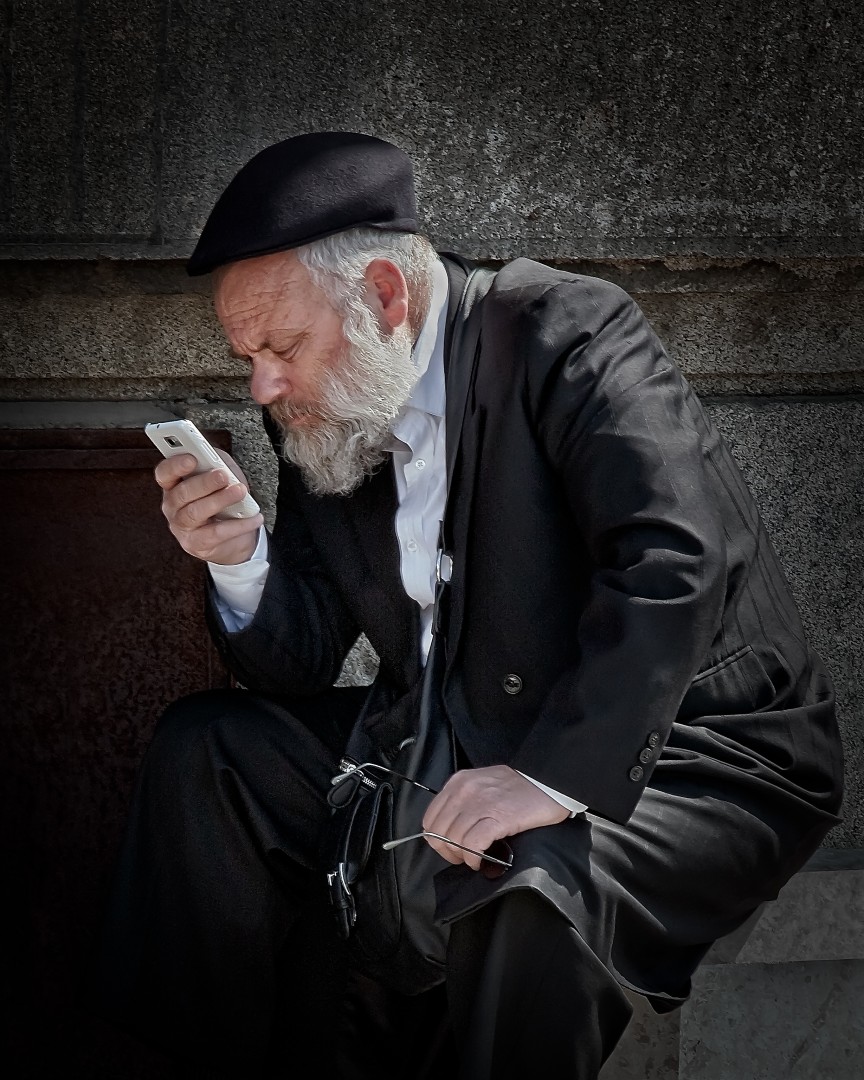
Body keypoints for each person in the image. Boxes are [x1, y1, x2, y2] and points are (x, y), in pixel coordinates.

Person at [95, 131, 844, 1079]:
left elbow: (671, 562)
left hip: (687, 748)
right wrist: (241, 557)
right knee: (212, 753)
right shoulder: (326, 408)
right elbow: (302, 655)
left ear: (385, 295)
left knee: (526, 882)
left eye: (281, 347)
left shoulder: (566, 331)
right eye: (247, 356)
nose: (263, 386)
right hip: (449, 730)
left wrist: (551, 778)